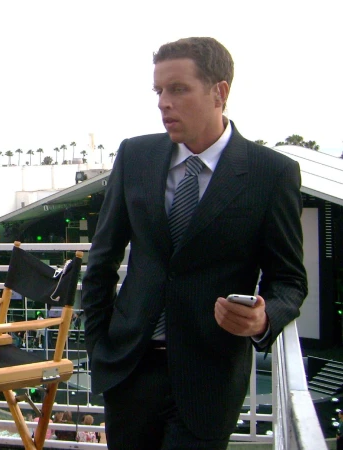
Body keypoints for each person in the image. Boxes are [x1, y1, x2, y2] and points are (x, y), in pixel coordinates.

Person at [81, 37, 308, 450]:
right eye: (159, 91)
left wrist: (262, 319)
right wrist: (99, 347)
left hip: (209, 378)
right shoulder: (135, 156)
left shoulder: (270, 174)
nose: (163, 102)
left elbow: (289, 281)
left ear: (219, 92)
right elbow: (101, 261)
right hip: (130, 370)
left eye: (178, 89)